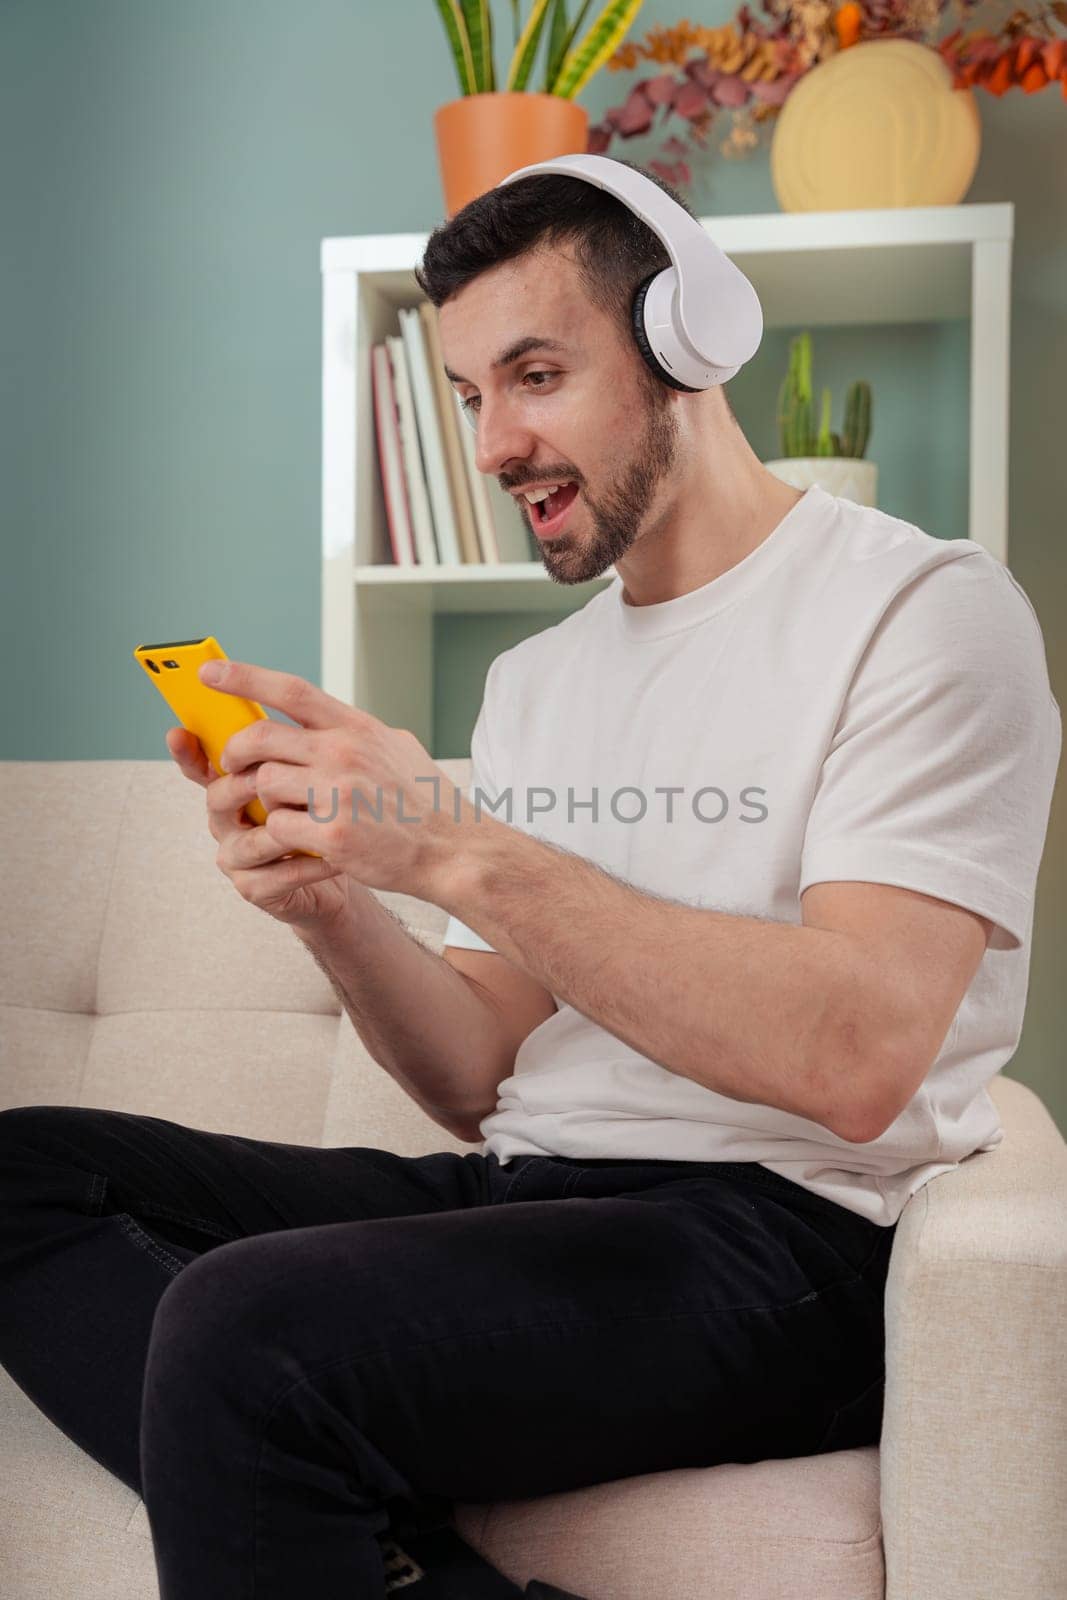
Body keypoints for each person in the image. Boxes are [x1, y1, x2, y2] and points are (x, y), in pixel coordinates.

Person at [0, 162, 1060, 1600]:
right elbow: (480, 1070)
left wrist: (443, 839)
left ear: (685, 346)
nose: (496, 443)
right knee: (21, 1175)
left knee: (246, 1331)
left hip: (785, 1240)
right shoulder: (538, 681)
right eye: (468, 397)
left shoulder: (927, 612)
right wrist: (337, 907)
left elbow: (859, 1054)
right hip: (533, 1195)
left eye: (536, 374)